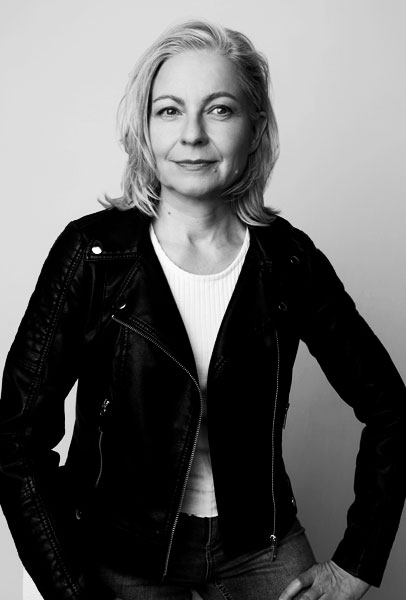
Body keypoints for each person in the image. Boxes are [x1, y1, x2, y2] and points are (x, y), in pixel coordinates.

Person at [0, 19, 404, 600]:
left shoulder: (288, 261)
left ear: (255, 128)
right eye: (169, 110)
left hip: (257, 543)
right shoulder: (92, 255)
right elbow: (16, 436)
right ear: (145, 129)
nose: (191, 134)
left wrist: (357, 564)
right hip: (119, 547)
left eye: (219, 110)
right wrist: (69, 588)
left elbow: (392, 409)